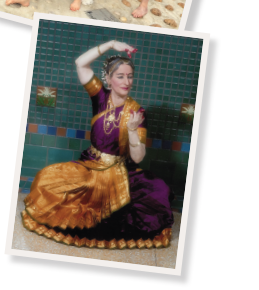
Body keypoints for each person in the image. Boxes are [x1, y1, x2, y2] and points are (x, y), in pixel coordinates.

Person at [22, 40, 174, 249]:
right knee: (45, 179)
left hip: (121, 171)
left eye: (129, 76)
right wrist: (111, 44)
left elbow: (138, 157)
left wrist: (131, 130)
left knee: (158, 189)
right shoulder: (100, 97)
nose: (126, 81)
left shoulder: (137, 113)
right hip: (90, 165)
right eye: (120, 76)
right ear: (109, 79)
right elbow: (80, 63)